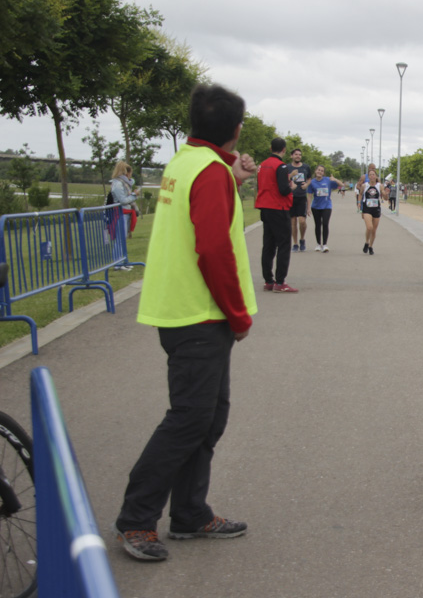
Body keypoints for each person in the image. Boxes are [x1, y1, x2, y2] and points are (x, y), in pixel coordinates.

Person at [113, 83, 258, 562]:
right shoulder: (211, 172)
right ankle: (136, 520)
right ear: (237, 130)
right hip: (200, 316)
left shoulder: (186, 162)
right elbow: (213, 251)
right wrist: (238, 316)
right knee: (189, 420)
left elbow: (203, 216)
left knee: (207, 418)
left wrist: (231, 180)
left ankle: (191, 513)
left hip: (181, 312)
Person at [255, 137, 298, 293]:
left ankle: (268, 280)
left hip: (264, 207)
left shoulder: (262, 165)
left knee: (268, 245)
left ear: (270, 148)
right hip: (278, 208)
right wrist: (291, 186)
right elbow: (283, 189)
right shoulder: (281, 166)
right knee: (284, 244)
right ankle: (280, 282)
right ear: (284, 150)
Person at [307, 165, 341, 252]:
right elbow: (309, 196)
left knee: (325, 224)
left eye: (322, 171)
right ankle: (318, 244)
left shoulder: (328, 180)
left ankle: (325, 244)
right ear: (315, 171)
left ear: (323, 173)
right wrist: (308, 208)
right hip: (316, 206)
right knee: (317, 225)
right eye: (318, 170)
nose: (320, 172)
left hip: (327, 206)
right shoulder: (312, 182)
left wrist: (335, 180)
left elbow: (341, 185)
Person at [109, 161, 141, 239]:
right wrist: (134, 195)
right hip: (121, 213)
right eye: (130, 174)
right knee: (120, 239)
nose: (130, 176)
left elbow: (131, 182)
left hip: (125, 212)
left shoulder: (124, 183)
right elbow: (122, 200)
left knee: (123, 238)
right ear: (126, 173)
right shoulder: (118, 184)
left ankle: (122, 251)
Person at [288, 148, 311, 252]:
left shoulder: (306, 167)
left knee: (302, 221)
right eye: (296, 154)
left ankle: (302, 239)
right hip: (291, 197)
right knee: (293, 222)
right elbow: (283, 179)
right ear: (291, 156)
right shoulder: (287, 167)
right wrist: (291, 176)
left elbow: (309, 178)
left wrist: (306, 184)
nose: (298, 156)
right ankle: (295, 244)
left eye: (299, 155)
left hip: (302, 197)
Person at [357, 168, 384, 254]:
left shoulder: (379, 186)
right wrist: (359, 202)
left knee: (374, 230)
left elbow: (385, 196)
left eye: (373, 174)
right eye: (370, 175)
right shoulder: (365, 185)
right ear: (368, 177)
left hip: (376, 209)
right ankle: (366, 242)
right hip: (367, 208)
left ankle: (370, 246)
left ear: (376, 176)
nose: (372, 176)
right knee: (369, 227)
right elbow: (360, 194)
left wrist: (386, 194)